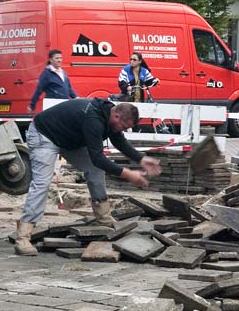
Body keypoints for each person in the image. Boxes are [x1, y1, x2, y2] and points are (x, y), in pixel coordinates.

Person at [14, 98, 163, 256]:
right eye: (124, 126)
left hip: (67, 139)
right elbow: (97, 157)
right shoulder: (93, 118)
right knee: (42, 183)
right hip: (44, 134)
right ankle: (23, 236)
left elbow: (119, 141)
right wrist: (128, 174)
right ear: (117, 116)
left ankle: (103, 218)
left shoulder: (110, 116)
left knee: (95, 170)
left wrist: (141, 159)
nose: (123, 129)